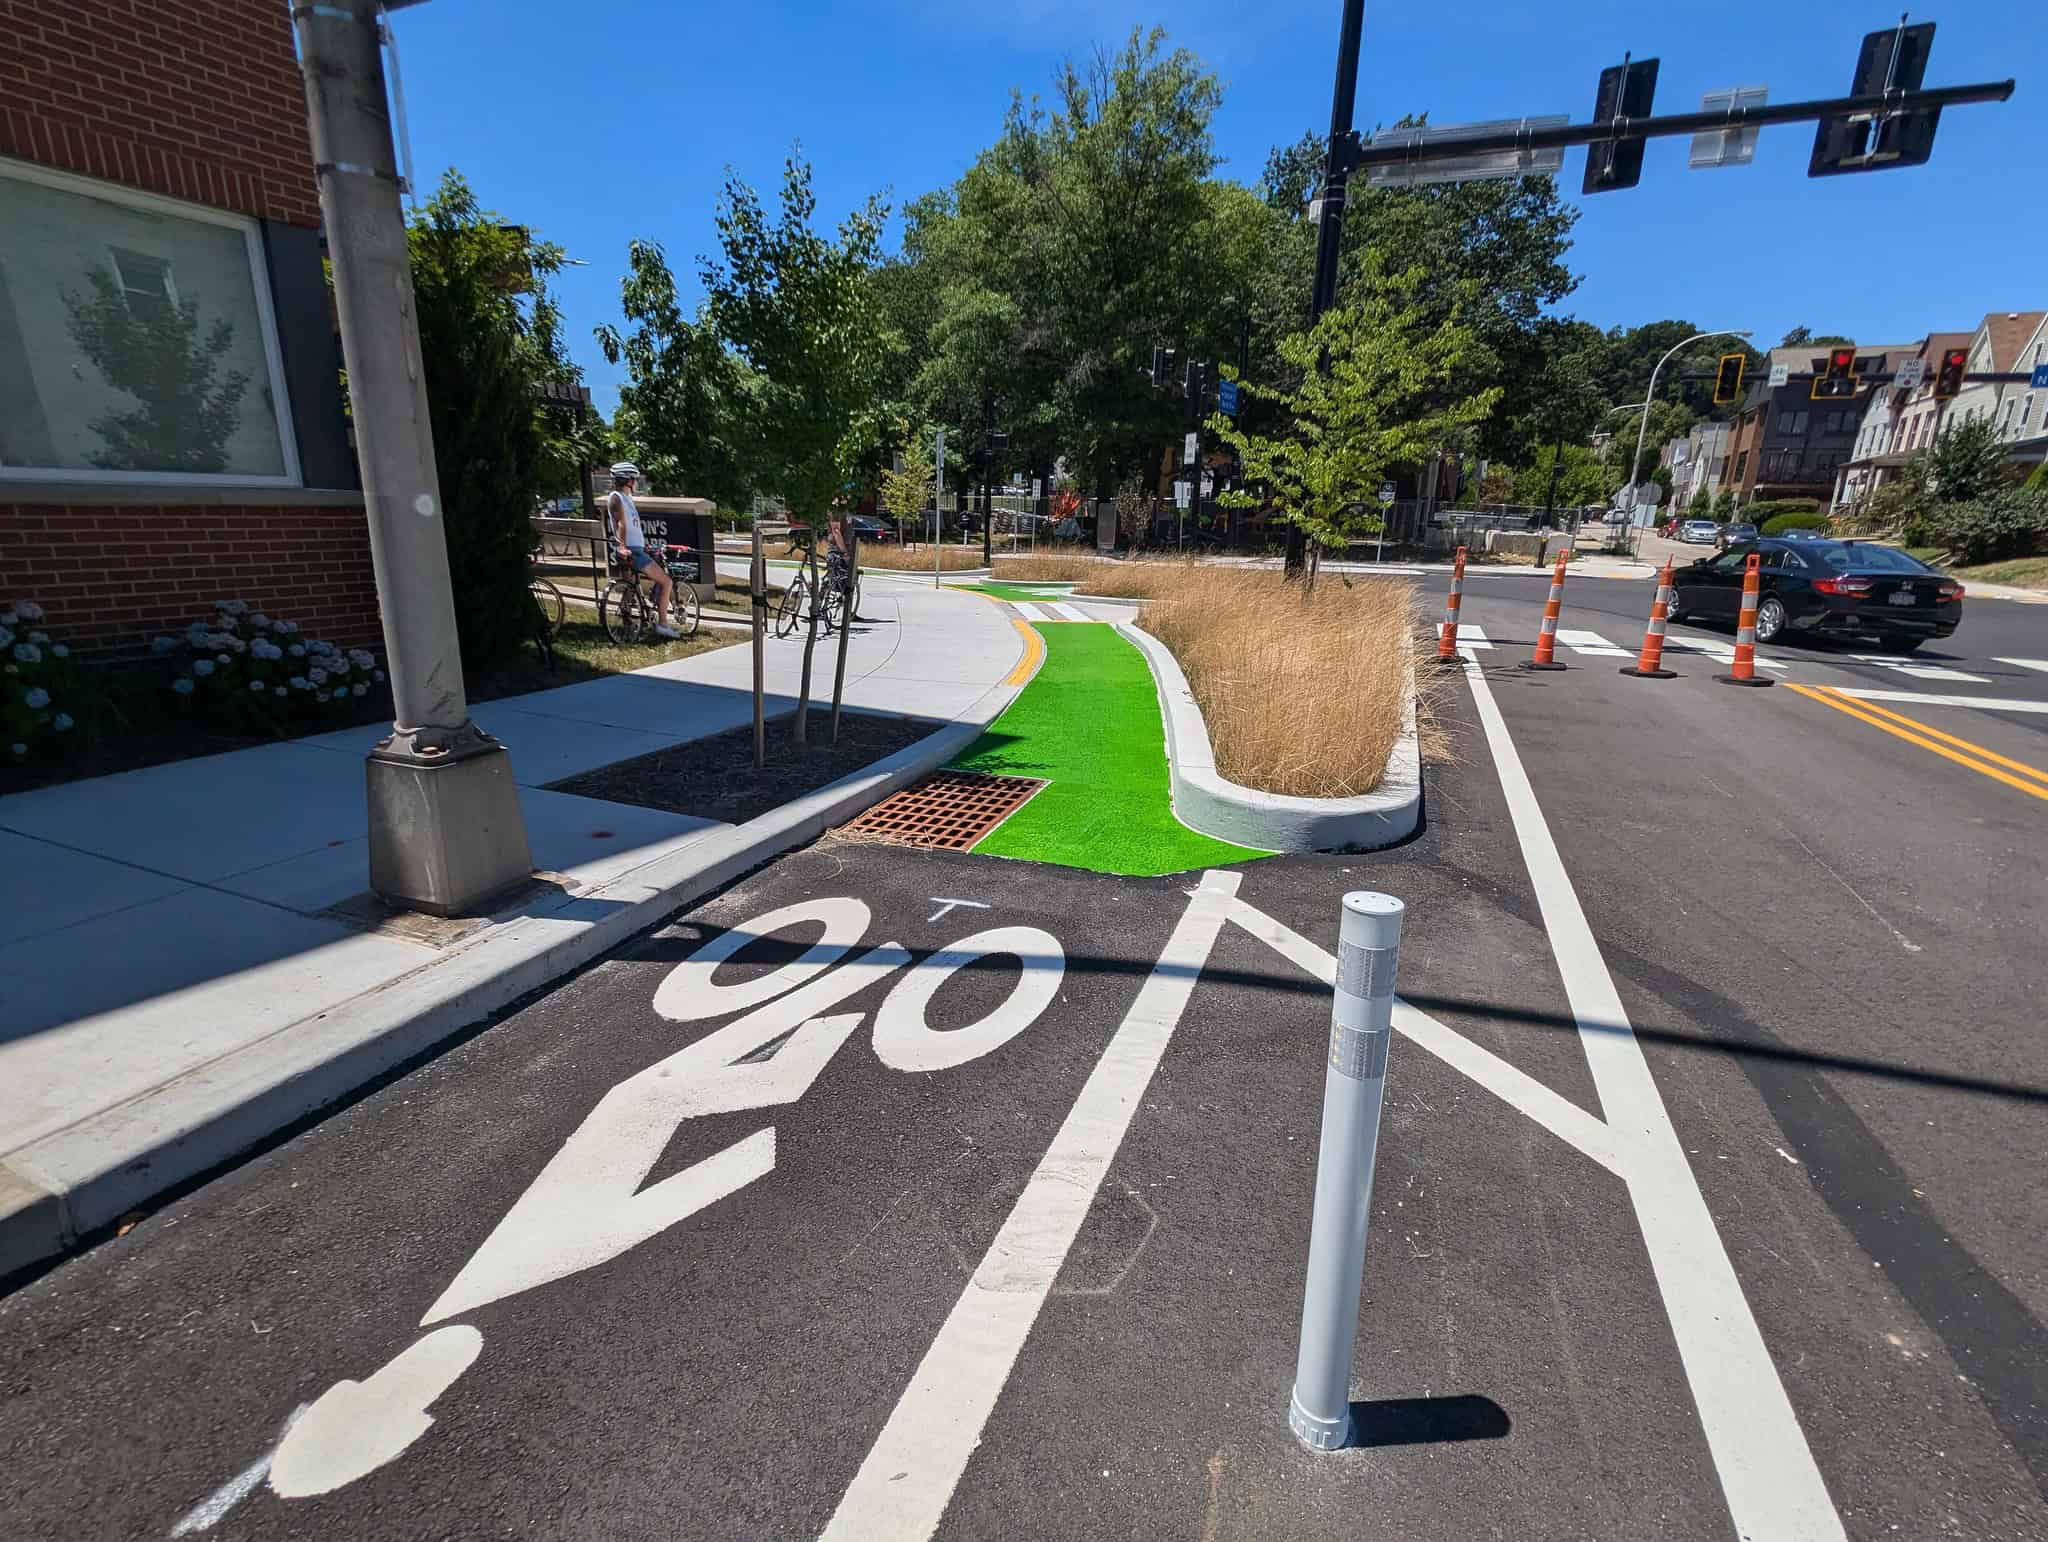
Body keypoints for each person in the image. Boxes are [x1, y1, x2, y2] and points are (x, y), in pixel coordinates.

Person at [605, 462, 679, 639]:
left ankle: (628, 628)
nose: (636, 482)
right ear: (628, 480)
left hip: (636, 548)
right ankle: (663, 624)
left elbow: (631, 526)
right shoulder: (617, 497)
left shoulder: (626, 498)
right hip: (631, 550)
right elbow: (621, 524)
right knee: (666, 582)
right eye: (634, 479)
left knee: (629, 590)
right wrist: (622, 547)